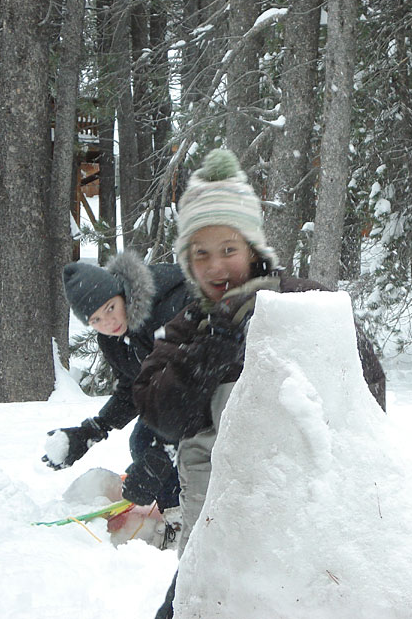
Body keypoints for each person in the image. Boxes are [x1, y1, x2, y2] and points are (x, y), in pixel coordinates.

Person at [132, 149, 386, 618]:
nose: (216, 267)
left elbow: (365, 392)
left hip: (303, 521)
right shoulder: (187, 327)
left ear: (252, 248)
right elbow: (161, 415)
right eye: (201, 253)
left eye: (228, 250)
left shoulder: (308, 302)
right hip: (216, 532)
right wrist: (212, 348)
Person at [42, 251, 193, 520]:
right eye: (96, 320)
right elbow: (133, 387)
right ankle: (176, 514)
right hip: (179, 401)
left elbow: (195, 382)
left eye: (110, 308)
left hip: (226, 387)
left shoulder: (168, 308)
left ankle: (198, 514)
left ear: (122, 293)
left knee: (164, 446)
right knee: (143, 440)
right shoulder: (113, 338)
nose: (108, 323)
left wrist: (163, 452)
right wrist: (92, 430)